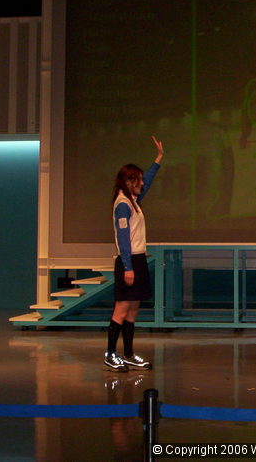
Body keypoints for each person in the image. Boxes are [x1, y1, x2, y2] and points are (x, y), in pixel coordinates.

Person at [104, 136, 164, 372]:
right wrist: (127, 266)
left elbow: (147, 183)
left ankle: (128, 354)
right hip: (128, 261)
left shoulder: (133, 200)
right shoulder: (122, 204)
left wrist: (158, 159)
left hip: (139, 259)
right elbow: (122, 238)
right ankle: (110, 355)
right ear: (129, 182)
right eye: (137, 180)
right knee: (121, 310)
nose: (141, 183)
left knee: (133, 310)